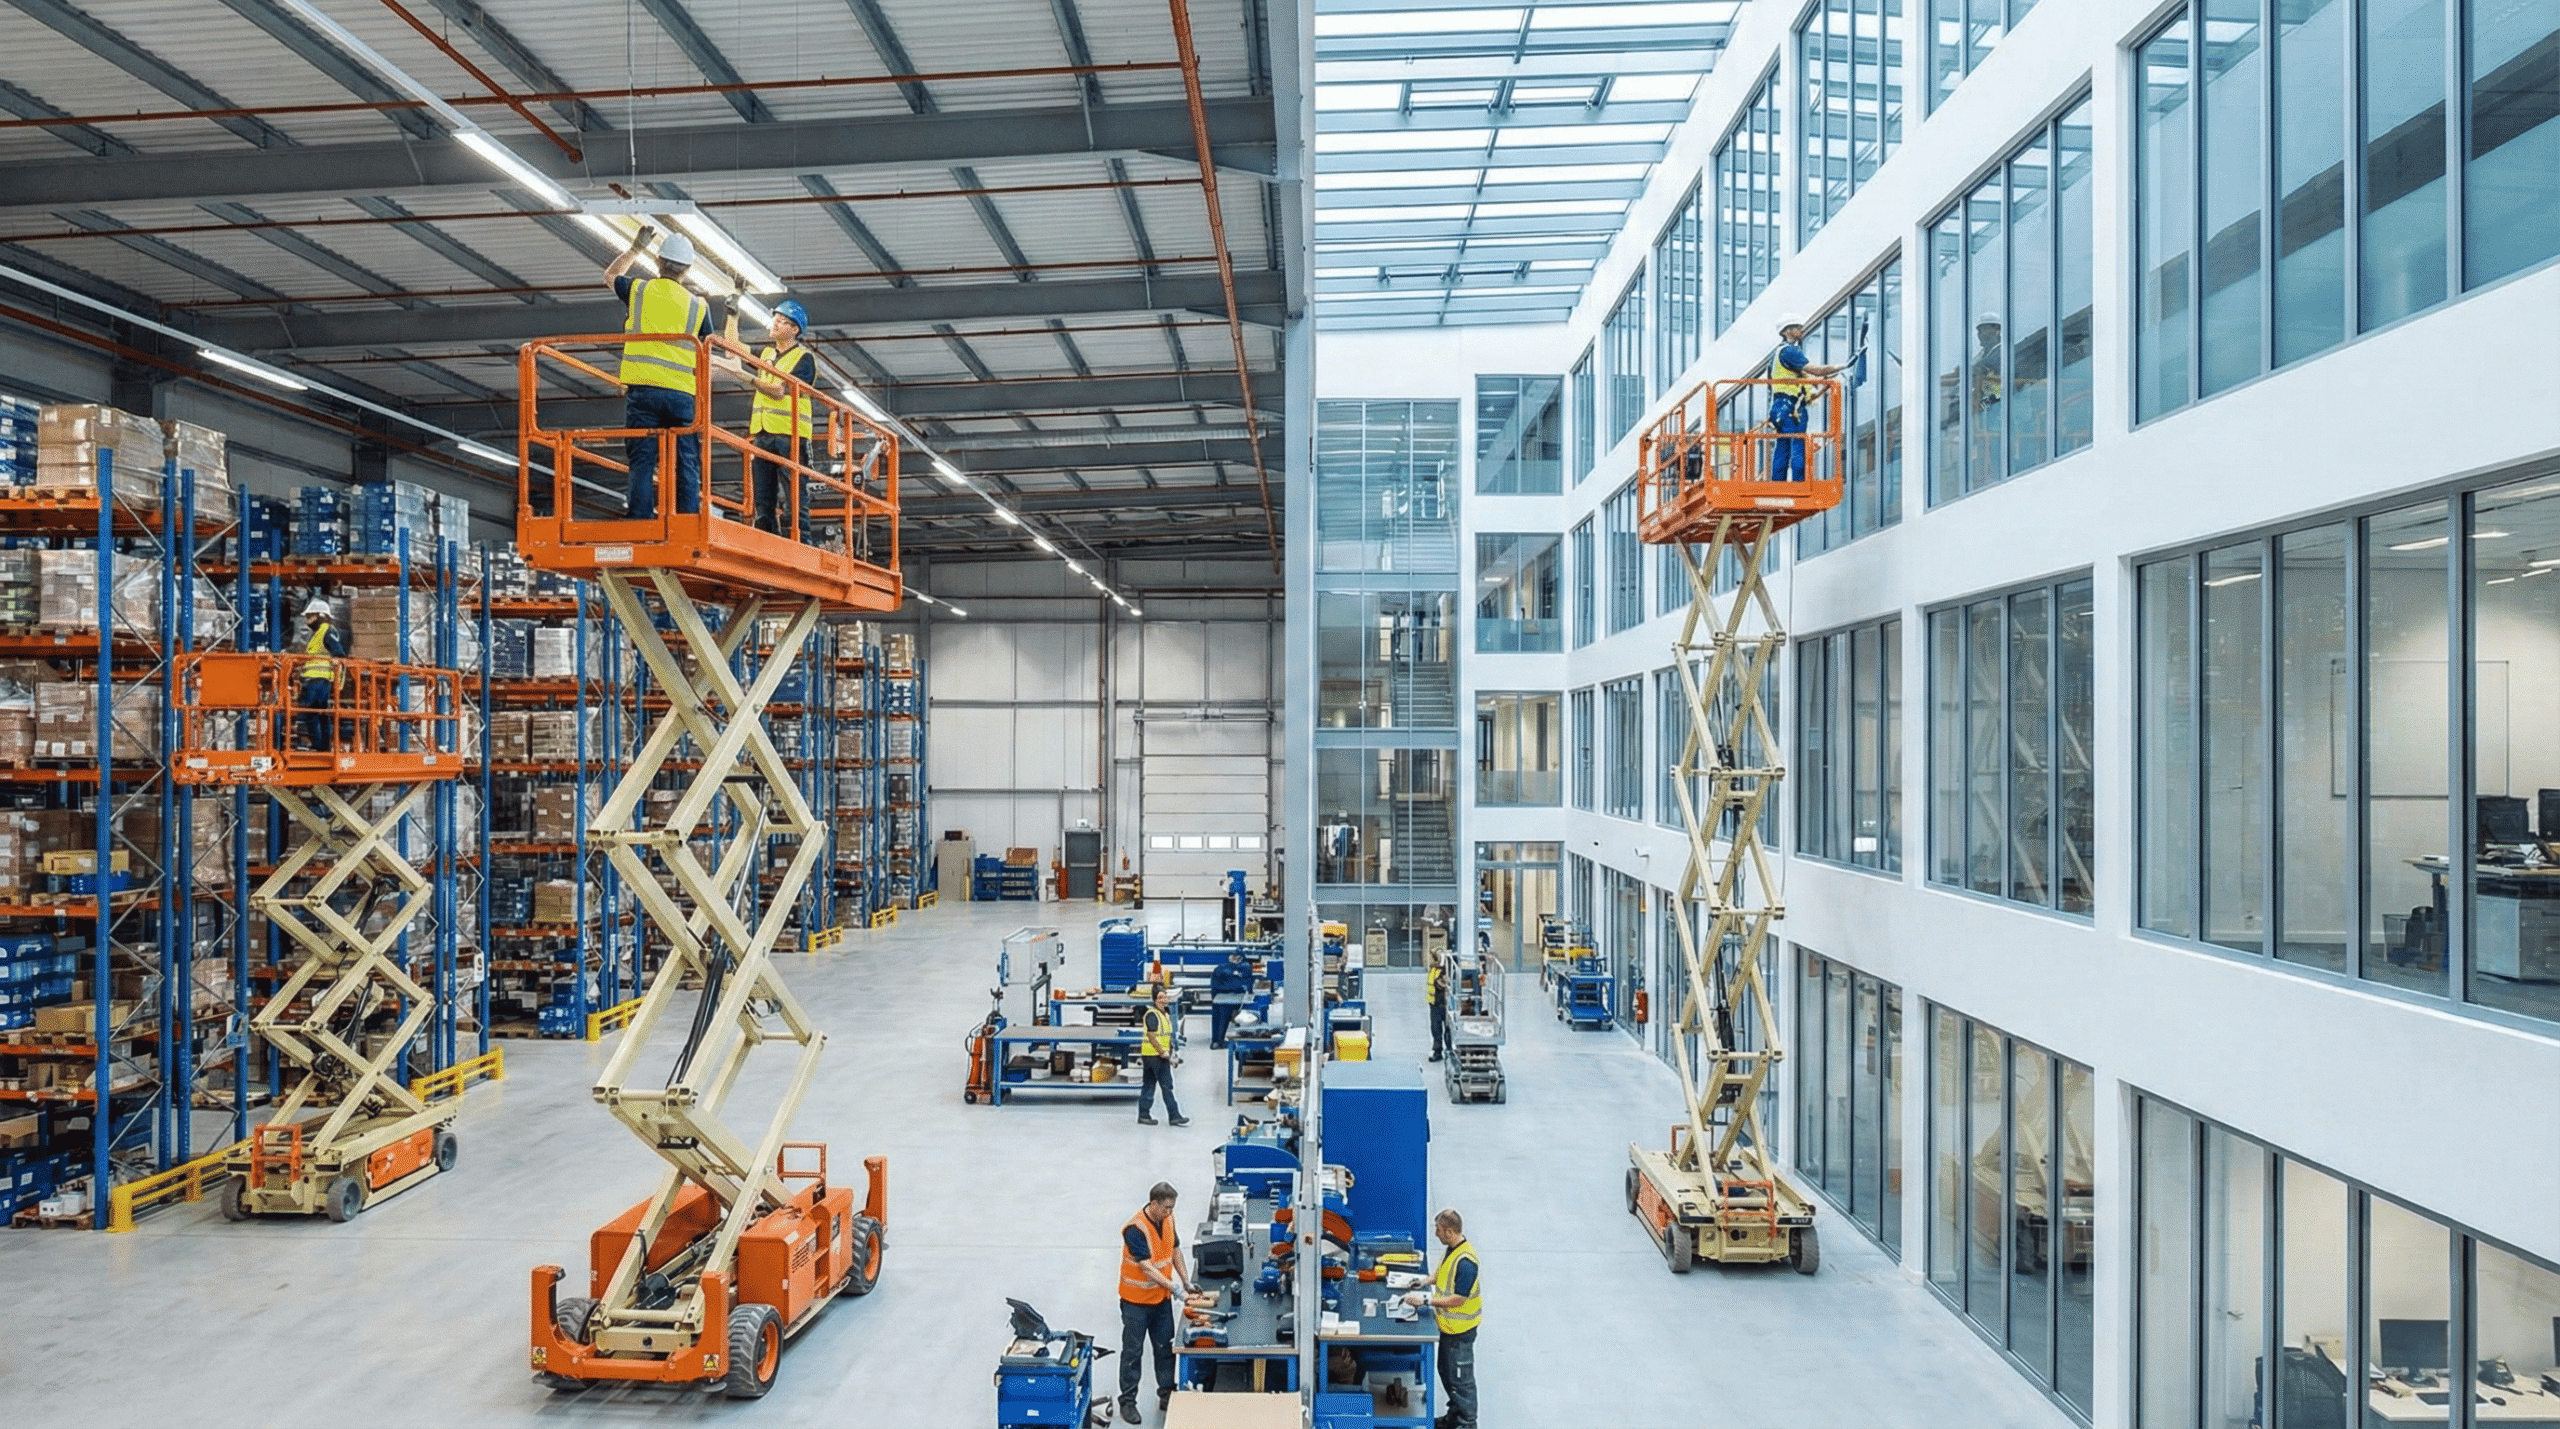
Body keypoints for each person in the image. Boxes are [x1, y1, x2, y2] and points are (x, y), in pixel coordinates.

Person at [602, 231, 712, 521]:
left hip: (644, 390)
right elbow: (710, 350)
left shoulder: (638, 290)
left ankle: (639, 515)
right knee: (685, 458)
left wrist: (634, 248)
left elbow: (610, 274)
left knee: (642, 458)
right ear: (687, 270)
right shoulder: (698, 306)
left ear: (658, 261)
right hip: (681, 395)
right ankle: (688, 518)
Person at [1117, 1181, 1192, 1425]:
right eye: (1166, 1208)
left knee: (1165, 1349)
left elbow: (1176, 1250)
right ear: (1153, 1203)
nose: (1170, 1212)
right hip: (1136, 1303)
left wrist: (1186, 1281)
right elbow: (1146, 1267)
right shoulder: (1135, 1228)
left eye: (1172, 1207)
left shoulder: (1168, 1220)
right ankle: (1127, 1402)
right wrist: (1174, 1287)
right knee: (1133, 1352)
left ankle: (1167, 1395)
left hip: (1160, 1301)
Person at [1402, 1208, 1482, 1429]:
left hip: (1460, 1331)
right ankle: (1454, 1417)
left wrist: (1426, 1301)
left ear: (1448, 1231)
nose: (1435, 1233)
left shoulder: (1466, 1262)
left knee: (1460, 1380)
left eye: (1438, 1229)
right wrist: (1424, 1282)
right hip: (1448, 1328)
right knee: (1446, 1373)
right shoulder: (1452, 1249)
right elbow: (1442, 1274)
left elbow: (1458, 1299)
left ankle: (1466, 1423)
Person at [745, 299, 817, 539]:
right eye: (774, 319)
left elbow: (778, 391)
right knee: (763, 497)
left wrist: (747, 379)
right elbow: (732, 346)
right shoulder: (766, 354)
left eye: (781, 321)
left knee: (795, 495)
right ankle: (765, 538)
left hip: (791, 435)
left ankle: (801, 540)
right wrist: (732, 313)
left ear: (795, 329)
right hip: (763, 433)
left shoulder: (804, 359)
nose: (774, 324)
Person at [1765, 314, 1848, 483]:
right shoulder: (1789, 351)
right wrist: (1841, 365)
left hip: (1782, 407)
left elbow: (1806, 389)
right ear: (1787, 332)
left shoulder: (1781, 356)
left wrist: (1826, 384)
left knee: (1783, 445)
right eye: (1797, 327)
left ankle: (1778, 484)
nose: (1801, 330)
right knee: (1797, 444)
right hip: (1790, 408)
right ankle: (1798, 484)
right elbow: (1816, 370)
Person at [293, 598, 344, 752]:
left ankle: (318, 746)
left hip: (318, 680)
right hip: (316, 679)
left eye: (310, 616)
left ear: (319, 616)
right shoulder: (317, 634)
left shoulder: (326, 631)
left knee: (311, 712)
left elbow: (338, 651)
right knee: (320, 713)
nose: (308, 620)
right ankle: (323, 747)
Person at [1135, 985, 1188, 1128]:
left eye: (1165, 997)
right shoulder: (1152, 1014)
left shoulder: (1164, 1014)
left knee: (1149, 1085)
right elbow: (1152, 1036)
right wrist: (1164, 1054)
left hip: (1152, 1056)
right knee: (1166, 1085)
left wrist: (1172, 1053)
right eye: (1160, 998)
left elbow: (1166, 1037)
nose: (1163, 1000)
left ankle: (1143, 1115)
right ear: (1154, 1000)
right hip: (1155, 1057)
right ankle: (1174, 1116)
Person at [1207, 948, 1253, 1049]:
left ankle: (1217, 1041)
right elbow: (1248, 986)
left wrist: (1213, 998)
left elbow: (1214, 987)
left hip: (1220, 1000)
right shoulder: (1245, 967)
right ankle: (1244, 1040)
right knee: (1245, 1016)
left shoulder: (1219, 969)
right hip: (1237, 1000)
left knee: (1219, 1018)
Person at [1426, 949, 1450, 1063]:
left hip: (1443, 1004)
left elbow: (1442, 984)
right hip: (1433, 1003)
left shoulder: (1445, 970)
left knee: (1447, 1028)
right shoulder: (1433, 969)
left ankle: (1450, 1050)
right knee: (1435, 1028)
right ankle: (1437, 1050)